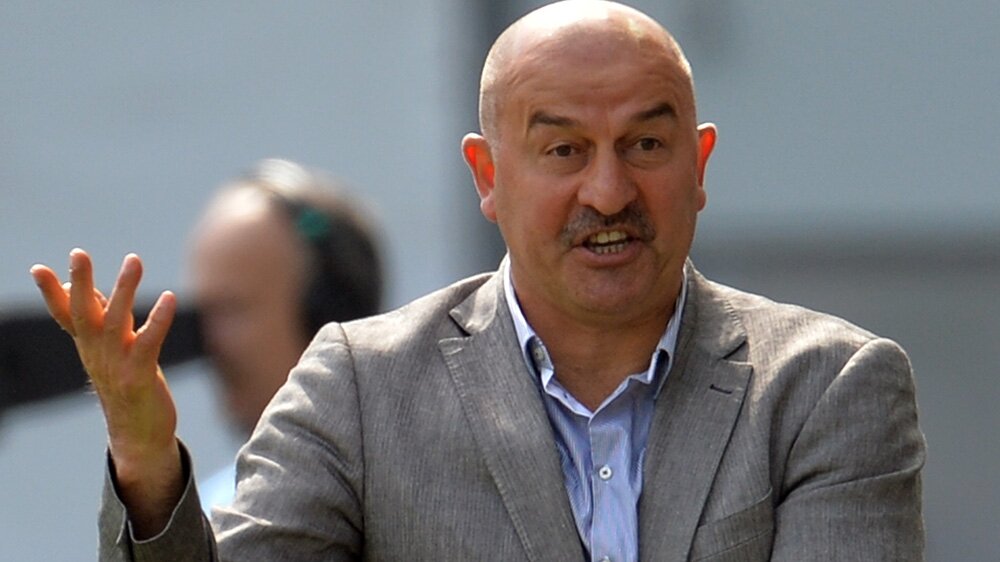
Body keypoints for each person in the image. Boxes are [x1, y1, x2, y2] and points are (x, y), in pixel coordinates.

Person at [30, 1, 925, 560]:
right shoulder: (361, 389)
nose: (608, 191)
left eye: (646, 144)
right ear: (488, 177)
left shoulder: (824, 386)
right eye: (563, 150)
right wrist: (148, 469)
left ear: (699, 165)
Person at [185, 158, 383, 509]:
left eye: (232, 309)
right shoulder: (212, 514)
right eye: (205, 311)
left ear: (326, 317)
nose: (206, 340)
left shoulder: (417, 503)